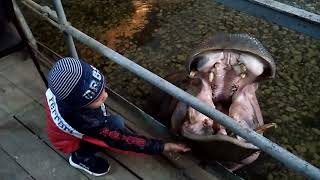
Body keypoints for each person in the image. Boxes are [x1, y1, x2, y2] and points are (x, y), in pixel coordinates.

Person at [44, 57, 190, 176]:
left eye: (103, 88)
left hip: (65, 129)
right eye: (98, 98)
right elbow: (124, 140)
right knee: (117, 124)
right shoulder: (89, 123)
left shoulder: (61, 91)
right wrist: (164, 146)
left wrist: (97, 103)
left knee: (114, 122)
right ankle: (80, 158)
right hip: (68, 142)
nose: (106, 95)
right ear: (80, 105)